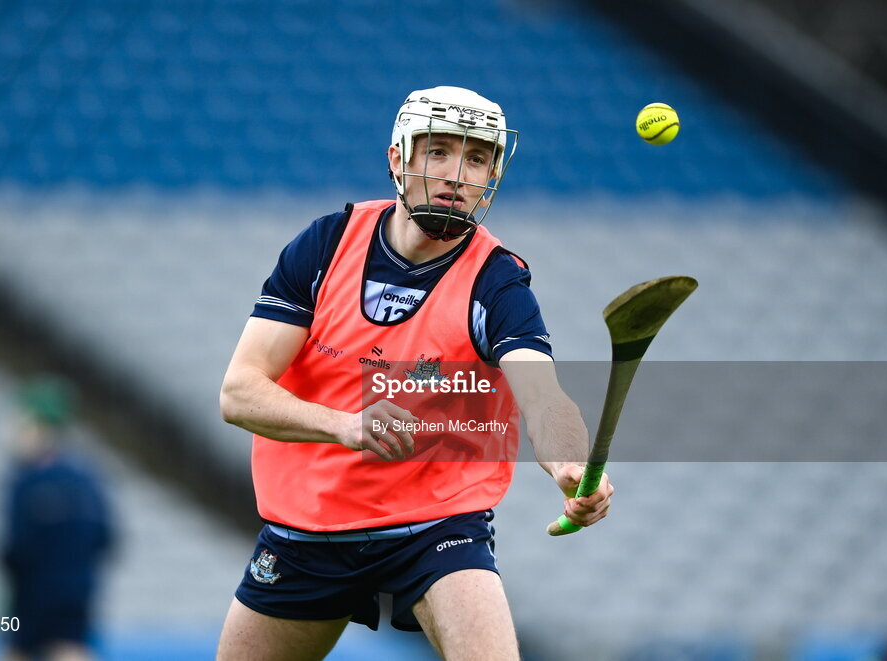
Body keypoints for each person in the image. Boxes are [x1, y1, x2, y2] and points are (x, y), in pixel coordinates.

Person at [216, 86, 614, 661]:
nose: (458, 173)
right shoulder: (326, 245)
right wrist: (346, 425)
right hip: (309, 527)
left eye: (477, 158)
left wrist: (572, 462)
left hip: (436, 525)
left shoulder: (496, 280)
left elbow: (542, 395)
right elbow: (238, 393)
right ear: (398, 160)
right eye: (440, 151)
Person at [0, 376, 116, 661]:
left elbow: (14, 548)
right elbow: (105, 537)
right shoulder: (86, 479)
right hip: (76, 598)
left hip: (29, 600)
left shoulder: (24, 482)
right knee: (71, 650)